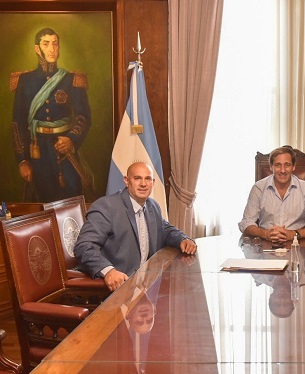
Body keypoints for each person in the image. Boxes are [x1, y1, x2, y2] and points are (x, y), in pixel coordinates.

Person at [75, 162, 197, 291]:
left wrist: (183, 239)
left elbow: (165, 229)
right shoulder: (106, 207)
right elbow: (84, 246)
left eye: (147, 179)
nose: (143, 184)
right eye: (137, 178)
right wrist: (108, 271)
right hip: (119, 286)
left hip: (148, 284)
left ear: (153, 182)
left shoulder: (152, 205)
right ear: (126, 181)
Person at [11, 27, 93, 202]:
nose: (51, 49)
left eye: (55, 44)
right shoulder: (25, 81)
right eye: (46, 44)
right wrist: (22, 160)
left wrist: (71, 139)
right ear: (37, 49)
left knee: (71, 197)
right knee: (41, 200)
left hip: (65, 149)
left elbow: (83, 116)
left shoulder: (71, 79)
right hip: (37, 151)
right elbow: (17, 123)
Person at [239, 146, 305, 244]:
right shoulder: (258, 188)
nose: (283, 170)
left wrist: (293, 234)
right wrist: (266, 234)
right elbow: (246, 223)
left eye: (287, 165)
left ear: (293, 166)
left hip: (297, 245)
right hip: (266, 244)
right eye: (278, 165)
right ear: (271, 167)